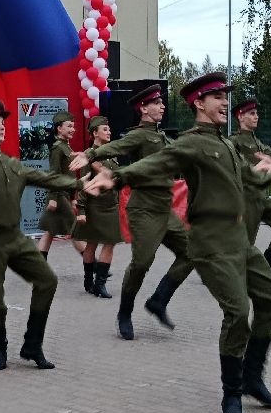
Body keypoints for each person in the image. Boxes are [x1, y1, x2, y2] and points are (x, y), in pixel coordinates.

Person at [89, 73, 271, 413]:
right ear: (199, 103)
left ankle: (252, 378)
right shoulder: (192, 142)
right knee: (238, 311)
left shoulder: (224, 143)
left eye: (227, 98)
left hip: (237, 238)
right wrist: (114, 176)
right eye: (218, 98)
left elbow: (246, 174)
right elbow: (157, 163)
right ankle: (231, 392)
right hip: (210, 241)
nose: (226, 103)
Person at [0, 100, 81, 371]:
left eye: (3, 123)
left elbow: (48, 179)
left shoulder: (11, 163)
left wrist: (81, 183)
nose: (2, 127)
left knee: (47, 280)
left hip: (14, 237)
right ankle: (0, 348)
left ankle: (33, 344)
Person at [71, 83, 191, 340]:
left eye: (161, 102)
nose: (161, 107)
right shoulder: (140, 135)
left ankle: (159, 300)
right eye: (156, 103)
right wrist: (91, 154)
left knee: (192, 254)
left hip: (164, 207)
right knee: (141, 263)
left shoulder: (160, 136)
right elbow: (116, 147)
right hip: (144, 208)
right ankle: (124, 313)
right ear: (143, 109)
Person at [228, 99, 271, 267]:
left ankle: (264, 267)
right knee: (244, 246)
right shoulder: (233, 142)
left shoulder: (257, 142)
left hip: (261, 197)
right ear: (241, 117)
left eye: (256, 113)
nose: (256, 116)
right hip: (245, 199)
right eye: (252, 114)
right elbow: (235, 168)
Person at [72, 115, 121, 298]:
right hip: (95, 206)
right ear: (95, 133)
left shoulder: (111, 152)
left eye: (109, 129)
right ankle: (88, 281)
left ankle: (99, 285)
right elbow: (83, 183)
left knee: (110, 243)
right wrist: (81, 210)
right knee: (91, 243)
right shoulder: (88, 155)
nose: (109, 132)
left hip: (111, 205)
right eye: (105, 129)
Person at [36, 111, 78, 255]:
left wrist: (73, 197)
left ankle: (39, 268)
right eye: (69, 126)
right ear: (59, 128)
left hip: (65, 194)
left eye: (73, 126)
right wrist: (53, 199)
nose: (73, 129)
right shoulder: (57, 148)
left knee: (49, 232)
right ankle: (95, 266)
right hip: (58, 195)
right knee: (75, 229)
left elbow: (70, 174)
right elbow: (54, 175)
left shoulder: (66, 147)